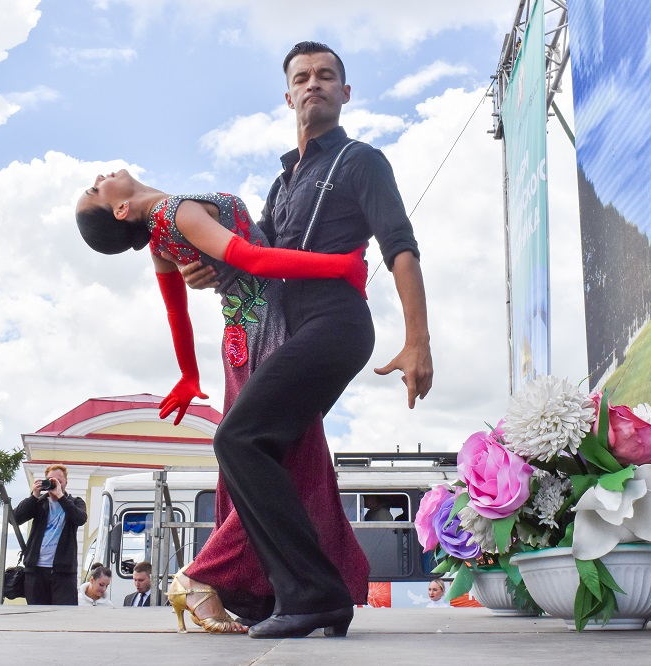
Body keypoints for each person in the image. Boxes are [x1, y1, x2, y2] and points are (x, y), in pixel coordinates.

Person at [179, 41, 433, 640]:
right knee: (277, 452)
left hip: (336, 323)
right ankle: (272, 593)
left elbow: (400, 246)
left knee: (239, 438)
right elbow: (257, 258)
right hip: (285, 332)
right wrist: (211, 268)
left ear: (345, 92)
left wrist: (418, 340)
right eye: (302, 77)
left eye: (325, 75)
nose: (313, 83)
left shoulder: (361, 160)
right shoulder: (279, 184)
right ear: (288, 95)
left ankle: (314, 596)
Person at [75, 173, 371, 634]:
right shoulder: (174, 213)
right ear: (120, 210)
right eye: (95, 190)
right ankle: (202, 577)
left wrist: (189, 375)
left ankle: (269, 593)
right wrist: (341, 266)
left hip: (240, 340)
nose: (99, 179)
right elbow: (251, 257)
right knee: (292, 462)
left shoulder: (162, 235)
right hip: (267, 332)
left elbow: (176, 311)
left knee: (265, 468)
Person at [13, 464, 88, 606]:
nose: (55, 484)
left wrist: (60, 496)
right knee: (37, 614)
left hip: (63, 573)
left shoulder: (75, 502)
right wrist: (34, 495)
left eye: (59, 481)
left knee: (63, 614)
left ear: (66, 482)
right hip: (36, 571)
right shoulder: (39, 502)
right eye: (51, 480)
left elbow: (80, 519)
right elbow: (15, 519)